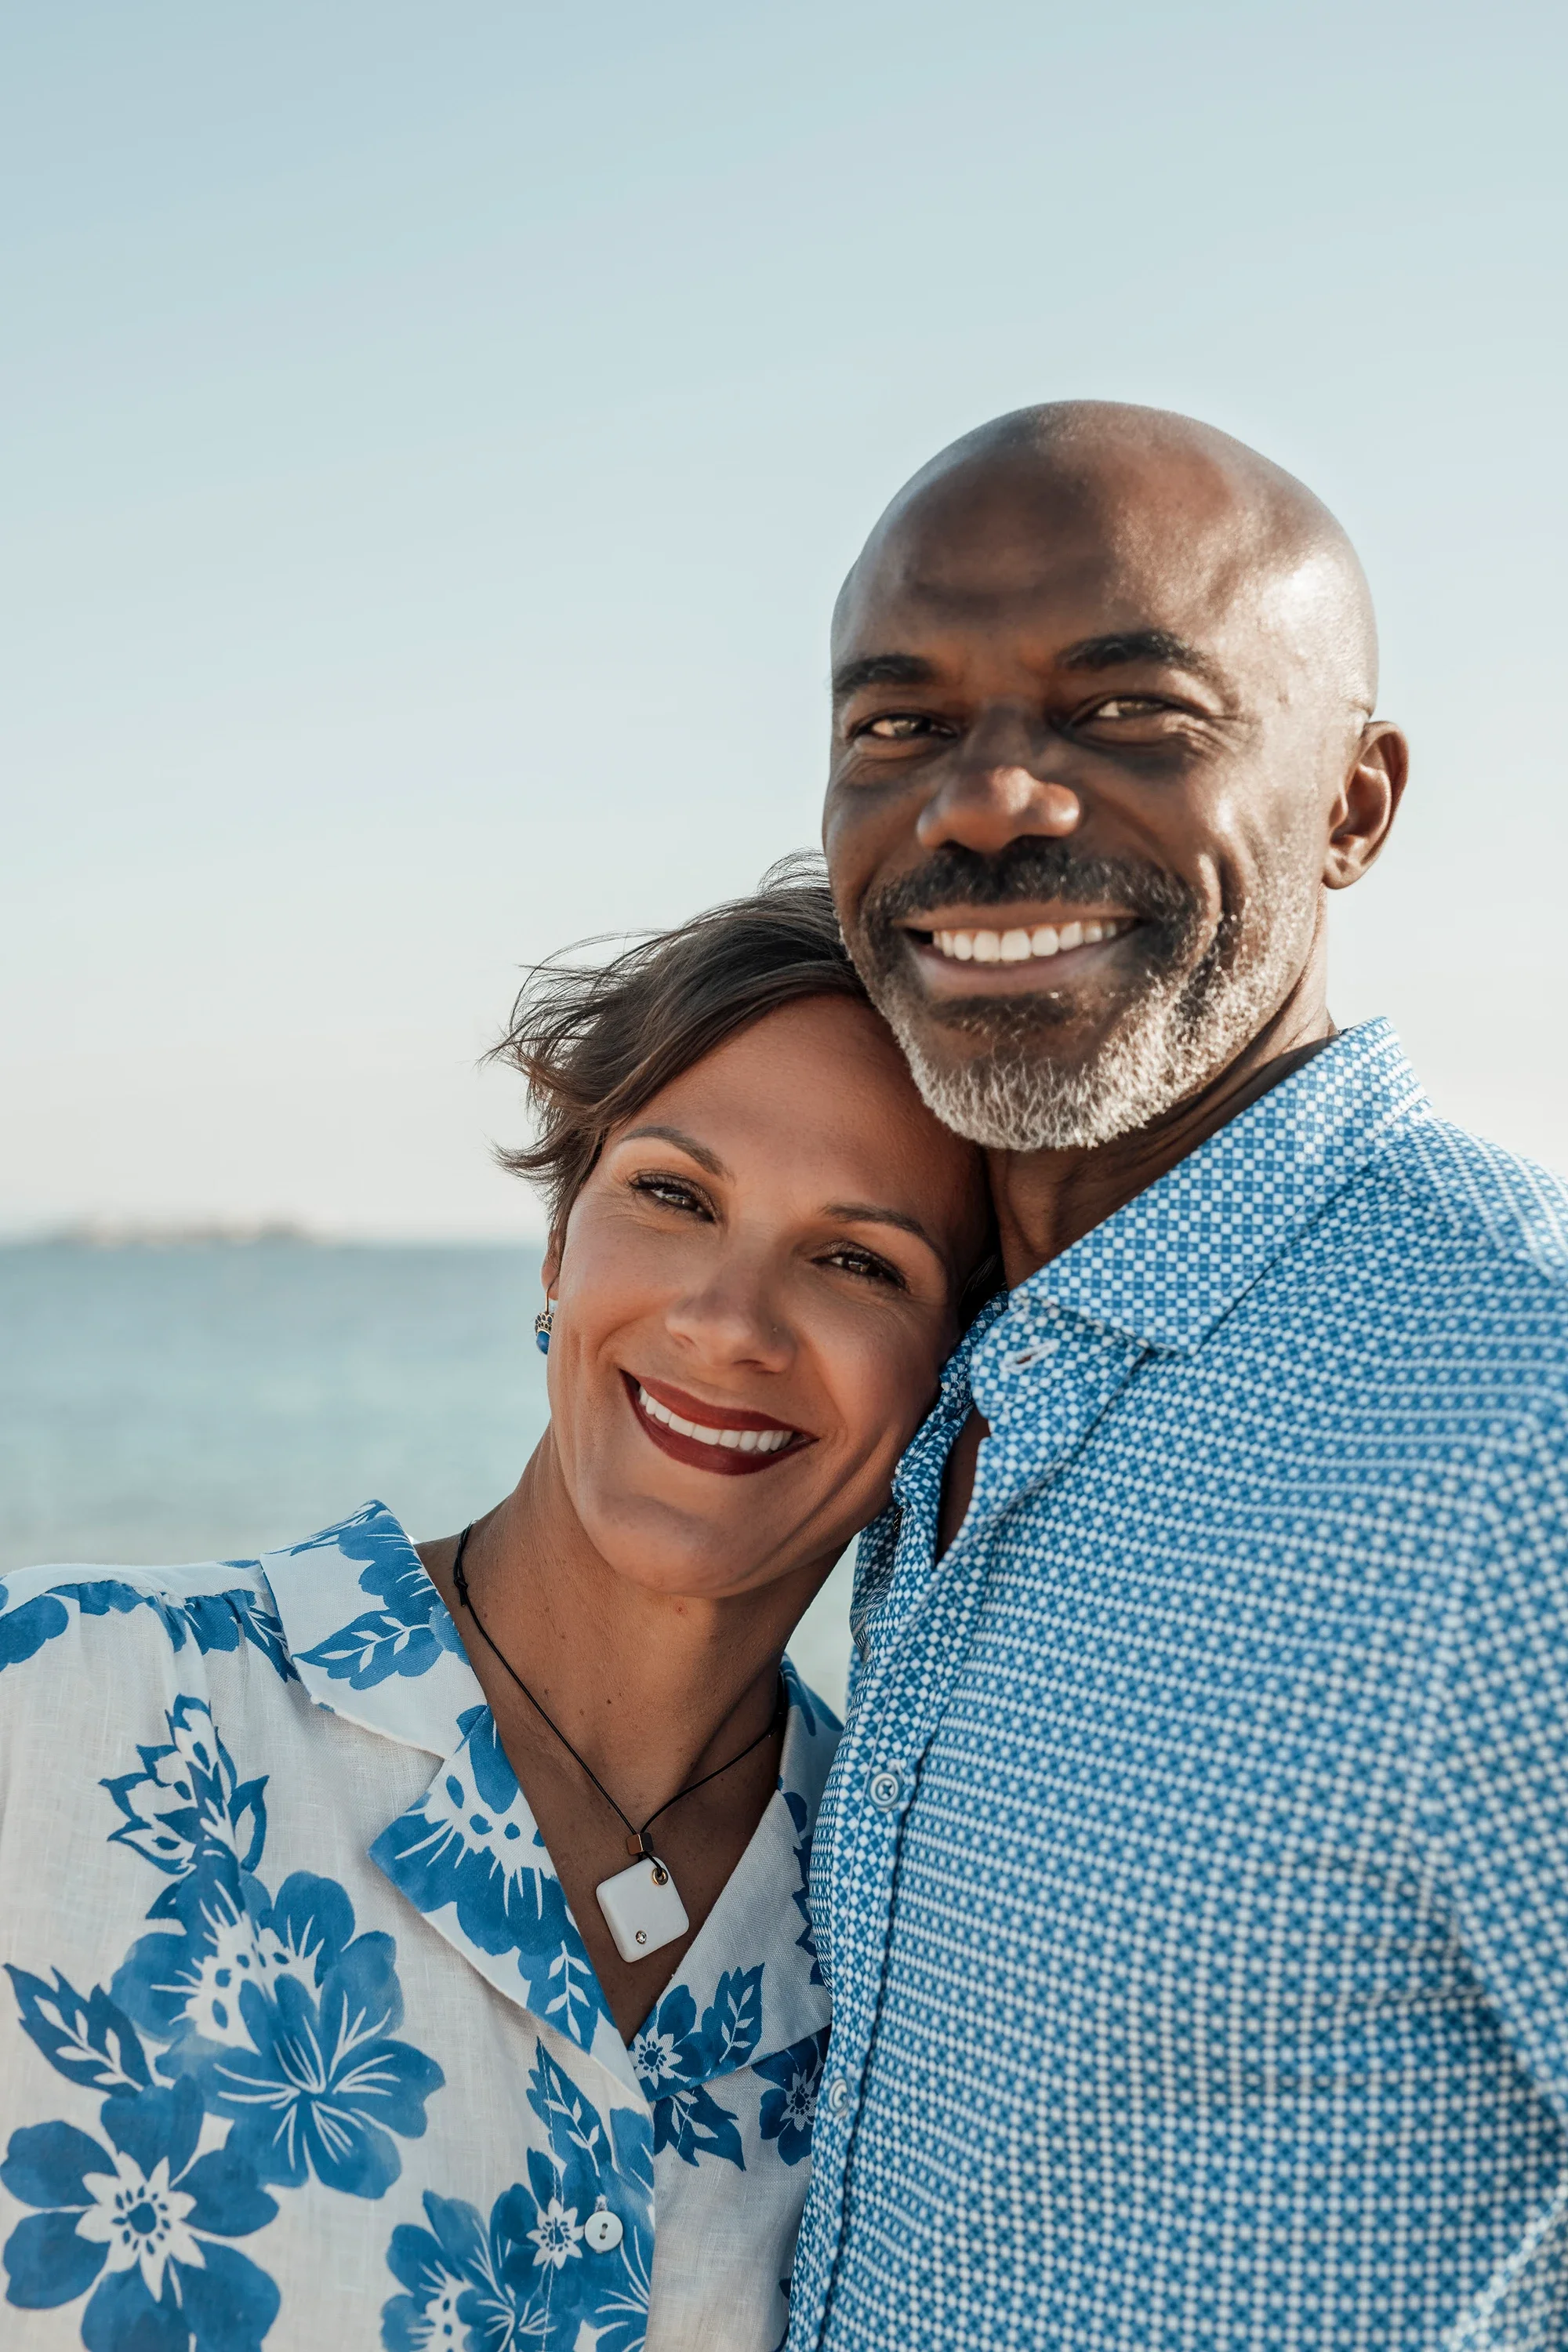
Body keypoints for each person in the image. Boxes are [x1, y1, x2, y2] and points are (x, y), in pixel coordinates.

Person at [787, 401, 1568, 2350]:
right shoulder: (952, 1353)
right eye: (899, 725)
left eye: (1127, 714)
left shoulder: (1515, 1404)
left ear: (1355, 805)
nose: (983, 803)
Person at [0, 877, 992, 2352]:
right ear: (556, 1245)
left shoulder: (909, 1928)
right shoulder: (62, 1697)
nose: (726, 1320)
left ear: (954, 1370)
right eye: (673, 1196)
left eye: (858, 1261)